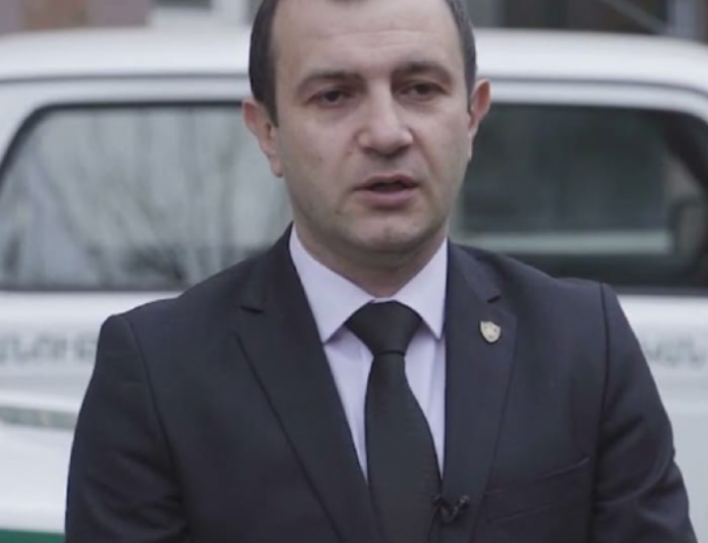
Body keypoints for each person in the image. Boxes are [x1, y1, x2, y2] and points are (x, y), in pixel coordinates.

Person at [65, 0, 697, 541]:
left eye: (419, 88)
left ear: (472, 115)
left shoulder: (584, 345)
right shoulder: (159, 374)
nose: (387, 133)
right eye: (334, 96)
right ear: (267, 132)